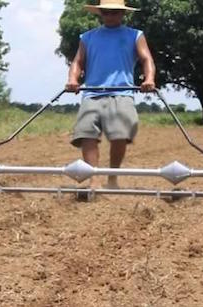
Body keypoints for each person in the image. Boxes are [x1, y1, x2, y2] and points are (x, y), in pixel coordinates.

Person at [66, 0, 156, 189]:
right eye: (106, 12)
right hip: (92, 92)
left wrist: (149, 79)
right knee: (86, 133)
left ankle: (113, 176)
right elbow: (78, 62)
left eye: (114, 12)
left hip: (122, 92)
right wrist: (73, 79)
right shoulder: (88, 37)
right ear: (100, 13)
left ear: (123, 14)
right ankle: (94, 179)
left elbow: (146, 58)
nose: (110, 16)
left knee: (120, 134)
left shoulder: (135, 35)